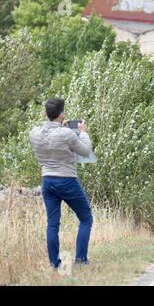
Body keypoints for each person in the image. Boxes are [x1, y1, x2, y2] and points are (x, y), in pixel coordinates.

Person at [29, 97, 93, 268]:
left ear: (46, 113)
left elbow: (50, 139)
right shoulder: (67, 134)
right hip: (67, 180)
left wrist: (60, 128)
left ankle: (54, 264)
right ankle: (80, 259)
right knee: (86, 218)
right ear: (62, 114)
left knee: (52, 223)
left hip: (47, 181)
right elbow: (85, 151)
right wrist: (83, 132)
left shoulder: (34, 132)